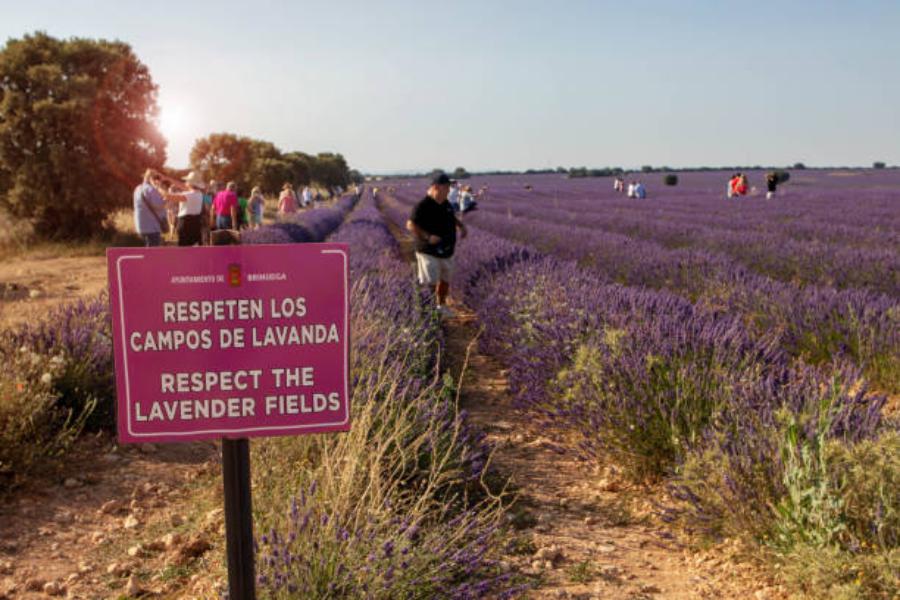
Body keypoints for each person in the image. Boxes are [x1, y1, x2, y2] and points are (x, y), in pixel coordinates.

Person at [406, 172, 468, 317]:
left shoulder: (445, 203)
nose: (449, 190)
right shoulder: (423, 205)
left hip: (447, 250)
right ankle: (428, 310)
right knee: (430, 282)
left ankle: (441, 306)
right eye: (446, 187)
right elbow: (410, 224)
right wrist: (427, 237)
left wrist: (461, 226)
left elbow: (451, 216)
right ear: (436, 187)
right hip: (428, 250)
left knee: (445, 280)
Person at [157, 170, 206, 246]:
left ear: (190, 183)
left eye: (187, 181)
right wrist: (167, 178)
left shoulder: (188, 195)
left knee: (184, 250)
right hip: (196, 224)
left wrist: (157, 186)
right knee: (196, 250)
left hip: (186, 224)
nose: (185, 183)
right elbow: (181, 185)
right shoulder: (199, 194)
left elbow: (167, 196)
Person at [133, 169, 168, 247]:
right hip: (152, 227)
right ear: (152, 179)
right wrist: (166, 200)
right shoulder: (151, 190)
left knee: (145, 254)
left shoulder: (137, 188)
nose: (158, 180)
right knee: (152, 255)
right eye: (156, 178)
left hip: (141, 226)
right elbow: (158, 206)